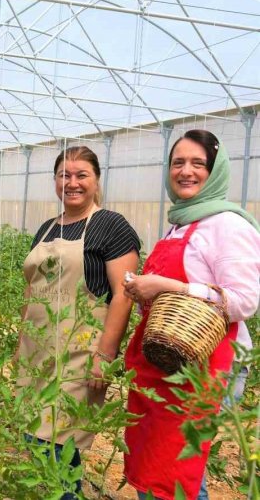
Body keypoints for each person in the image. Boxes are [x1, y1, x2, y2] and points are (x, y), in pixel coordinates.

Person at [123, 130, 260, 500]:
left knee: (180, 471)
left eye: (198, 163)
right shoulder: (180, 222)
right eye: (178, 163)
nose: (186, 171)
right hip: (168, 361)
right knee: (155, 465)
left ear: (215, 172)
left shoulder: (229, 225)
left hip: (208, 367)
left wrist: (170, 288)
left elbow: (245, 300)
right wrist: (142, 291)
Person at [18, 146, 139, 498]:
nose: (72, 183)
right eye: (64, 175)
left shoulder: (110, 226)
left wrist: (105, 356)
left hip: (78, 355)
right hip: (36, 352)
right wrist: (18, 348)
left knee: (59, 448)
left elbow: (123, 294)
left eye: (81, 175)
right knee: (33, 440)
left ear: (96, 180)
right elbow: (31, 290)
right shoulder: (46, 227)